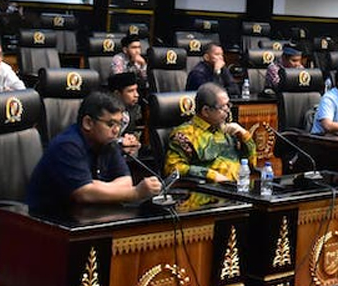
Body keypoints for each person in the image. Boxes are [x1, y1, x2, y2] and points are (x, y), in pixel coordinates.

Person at [26, 91, 161, 211]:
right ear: (88, 123)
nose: (116, 130)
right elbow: (85, 194)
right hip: (45, 220)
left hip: (86, 215)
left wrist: (96, 186)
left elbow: (126, 181)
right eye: (110, 124)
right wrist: (135, 193)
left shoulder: (108, 143)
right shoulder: (67, 145)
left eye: (119, 124)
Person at [166, 83, 257, 181]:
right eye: (222, 107)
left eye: (228, 105)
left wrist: (243, 134)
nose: (227, 111)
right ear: (206, 111)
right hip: (211, 189)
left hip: (239, 186)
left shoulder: (228, 130)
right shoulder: (185, 135)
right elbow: (172, 169)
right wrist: (210, 175)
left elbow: (252, 164)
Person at [107, 71, 143, 156]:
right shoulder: (105, 113)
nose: (136, 95)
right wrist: (120, 141)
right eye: (130, 91)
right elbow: (100, 139)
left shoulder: (132, 110)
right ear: (117, 94)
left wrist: (132, 139)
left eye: (136, 90)